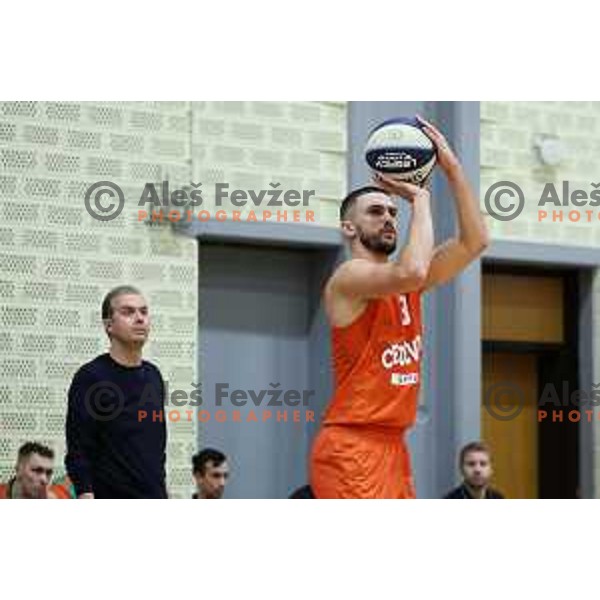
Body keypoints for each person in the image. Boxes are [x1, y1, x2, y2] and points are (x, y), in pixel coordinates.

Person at [309, 116, 490, 499]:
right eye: (376, 212)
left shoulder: (403, 283)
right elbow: (412, 269)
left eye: (393, 212)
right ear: (348, 228)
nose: (389, 218)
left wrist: (453, 169)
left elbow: (475, 242)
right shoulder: (349, 277)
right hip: (352, 446)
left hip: (393, 444)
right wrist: (420, 199)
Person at [65, 285, 167, 499]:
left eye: (144, 311)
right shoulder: (91, 377)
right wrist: (85, 492)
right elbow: (78, 448)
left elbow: (156, 447)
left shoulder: (154, 376)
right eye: (128, 312)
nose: (139, 318)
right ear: (109, 325)